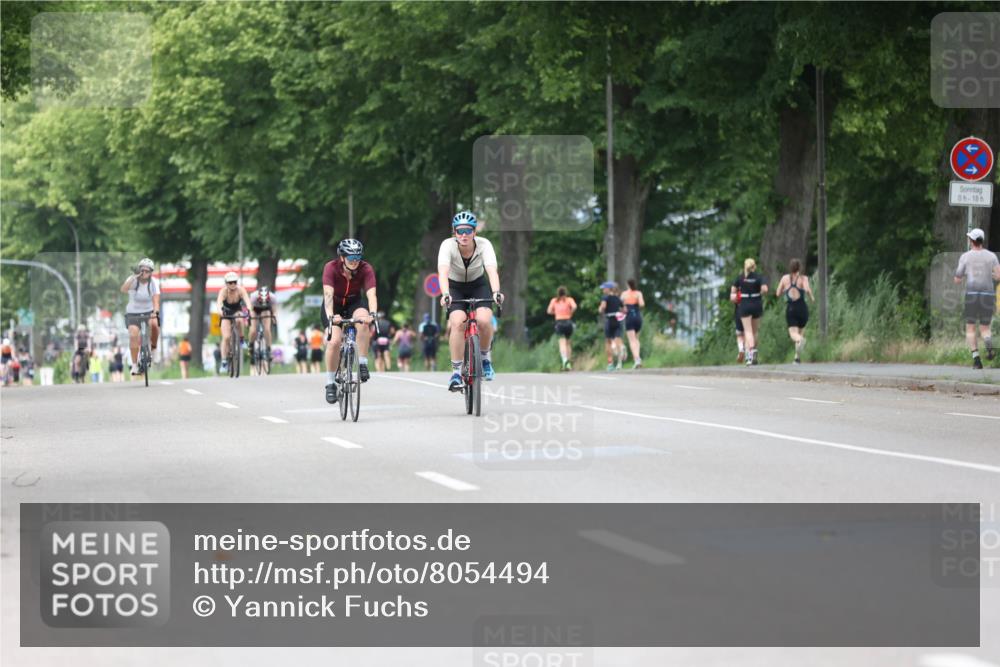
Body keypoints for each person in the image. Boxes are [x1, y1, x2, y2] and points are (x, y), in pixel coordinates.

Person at [438, 211, 504, 391]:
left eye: (468, 230)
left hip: (478, 284)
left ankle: (485, 359)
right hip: (454, 287)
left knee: (484, 320)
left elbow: (491, 270)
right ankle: (456, 373)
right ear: (455, 232)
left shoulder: (485, 245)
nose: (464, 235)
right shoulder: (447, 245)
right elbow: (443, 272)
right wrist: (445, 294)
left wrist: (496, 292)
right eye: (460, 231)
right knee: (457, 322)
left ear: (474, 232)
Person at [322, 238, 378, 403]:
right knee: (334, 341)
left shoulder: (366, 268)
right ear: (342, 257)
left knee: (364, 321)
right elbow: (328, 295)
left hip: (354, 303)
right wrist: (331, 316)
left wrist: (373, 314)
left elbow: (371, 295)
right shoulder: (330, 268)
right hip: (334, 306)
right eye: (351, 258)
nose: (355, 261)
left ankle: (362, 363)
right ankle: (330, 383)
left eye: (358, 258)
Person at [954, 228, 1000, 369]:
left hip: (972, 295)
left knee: (970, 327)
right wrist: (990, 275)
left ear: (971, 241)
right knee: (985, 327)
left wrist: (966, 274)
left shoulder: (965, 257)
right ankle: (988, 343)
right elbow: (999, 276)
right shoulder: (991, 256)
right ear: (982, 241)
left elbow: (957, 279)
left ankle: (977, 360)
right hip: (988, 295)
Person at [120, 258, 161, 376]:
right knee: (133, 334)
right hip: (133, 313)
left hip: (149, 312)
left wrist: (155, 312)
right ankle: (134, 365)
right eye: (142, 270)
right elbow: (123, 289)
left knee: (155, 324)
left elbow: (156, 301)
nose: (144, 273)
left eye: (147, 271)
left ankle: (154, 348)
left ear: (151, 272)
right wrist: (133, 277)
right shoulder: (133, 280)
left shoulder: (154, 282)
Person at [775, 258, 815, 364]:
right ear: (799, 268)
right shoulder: (804, 278)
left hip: (791, 308)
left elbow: (777, 293)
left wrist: (785, 289)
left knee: (794, 334)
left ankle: (800, 340)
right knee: (800, 333)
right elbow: (807, 289)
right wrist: (812, 297)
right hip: (802, 308)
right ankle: (797, 358)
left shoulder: (785, 278)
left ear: (790, 267)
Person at [730, 258, 768, 366]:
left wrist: (736, 298)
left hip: (745, 305)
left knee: (748, 331)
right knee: (755, 331)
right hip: (757, 304)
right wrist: (759, 292)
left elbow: (732, 294)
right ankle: (753, 352)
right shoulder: (759, 277)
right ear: (754, 266)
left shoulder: (740, 278)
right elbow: (765, 289)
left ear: (745, 266)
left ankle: (750, 353)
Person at [215, 271, 253, 374]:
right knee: (226, 337)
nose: (233, 284)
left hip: (237, 310)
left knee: (240, 318)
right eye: (230, 282)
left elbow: (247, 301)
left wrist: (249, 310)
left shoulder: (241, 290)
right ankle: (224, 361)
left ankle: (241, 339)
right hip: (226, 313)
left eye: (234, 282)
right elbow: (219, 303)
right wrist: (221, 312)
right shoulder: (223, 291)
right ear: (226, 283)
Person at [546, 286, 578, 371]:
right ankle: (569, 363)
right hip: (568, 322)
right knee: (568, 343)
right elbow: (574, 307)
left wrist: (555, 312)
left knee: (562, 343)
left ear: (558, 293)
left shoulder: (554, 300)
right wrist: (570, 312)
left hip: (559, 322)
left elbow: (548, 311)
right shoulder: (569, 300)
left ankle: (564, 361)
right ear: (565, 293)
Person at [598, 281, 626, 371]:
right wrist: (620, 313)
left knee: (608, 342)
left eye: (604, 288)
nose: (603, 290)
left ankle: (610, 363)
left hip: (609, 320)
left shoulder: (605, 297)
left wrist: (600, 309)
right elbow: (624, 310)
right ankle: (619, 363)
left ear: (608, 289)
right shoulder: (618, 298)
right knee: (618, 341)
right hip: (617, 320)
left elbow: (603, 307)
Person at [249, 284, 277, 364]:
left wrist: (274, 319)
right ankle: (251, 345)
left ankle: (268, 349)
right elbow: (250, 310)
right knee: (253, 330)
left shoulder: (273, 297)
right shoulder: (253, 297)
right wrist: (249, 319)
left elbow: (274, 311)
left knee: (267, 329)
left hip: (266, 309)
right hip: (255, 309)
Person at [621, 278, 645, 368]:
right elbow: (642, 304)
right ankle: (638, 358)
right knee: (636, 339)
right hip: (638, 317)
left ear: (627, 284)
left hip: (629, 317)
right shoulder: (638, 293)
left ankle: (637, 359)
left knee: (632, 340)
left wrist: (625, 309)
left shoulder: (624, 294)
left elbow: (622, 308)